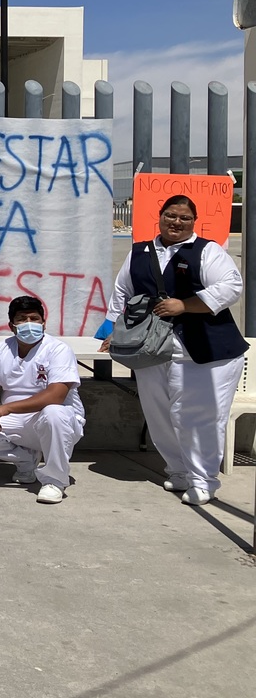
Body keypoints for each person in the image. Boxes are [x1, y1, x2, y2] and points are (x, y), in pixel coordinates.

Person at [104, 195, 245, 506]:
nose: (176, 222)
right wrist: (113, 330)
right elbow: (122, 292)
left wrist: (185, 305)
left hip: (205, 352)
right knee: (160, 415)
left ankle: (203, 480)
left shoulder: (207, 251)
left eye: (184, 218)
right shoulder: (139, 252)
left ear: (194, 221)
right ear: (160, 216)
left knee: (196, 416)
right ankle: (179, 470)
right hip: (151, 348)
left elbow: (230, 287)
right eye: (170, 215)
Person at [0, 296, 84, 504]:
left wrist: (7, 408)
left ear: (43, 323)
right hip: (16, 419)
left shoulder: (58, 349)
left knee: (54, 412)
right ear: (11, 326)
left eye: (34, 319)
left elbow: (56, 395)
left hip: (57, 421)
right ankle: (26, 461)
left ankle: (54, 481)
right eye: (22, 319)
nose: (29, 324)